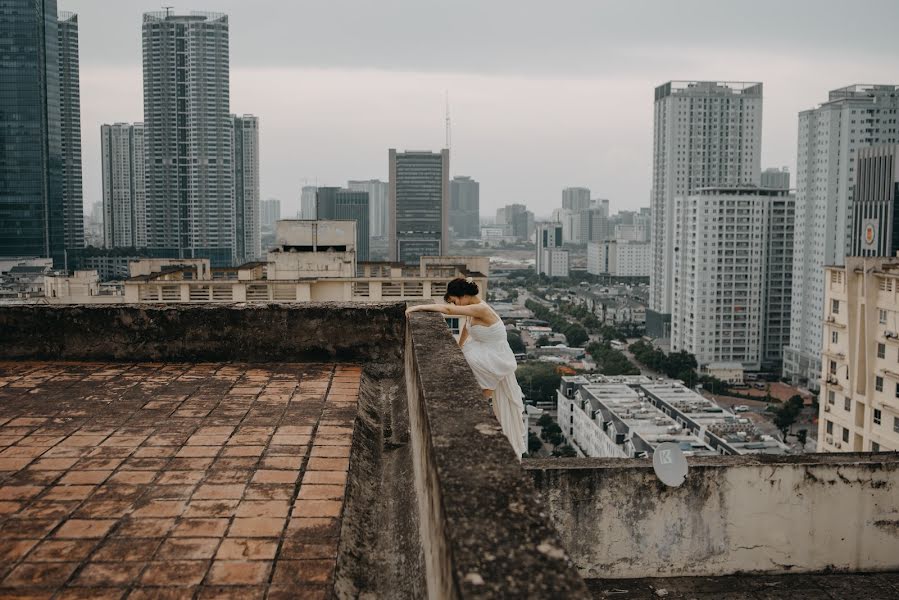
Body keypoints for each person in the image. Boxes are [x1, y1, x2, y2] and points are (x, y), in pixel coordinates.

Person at [405, 277, 526, 457]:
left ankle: (470, 424)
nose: (456, 304)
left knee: (481, 393)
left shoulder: (480, 308)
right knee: (472, 379)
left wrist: (417, 307)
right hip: (483, 348)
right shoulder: (475, 308)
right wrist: (459, 347)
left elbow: (447, 309)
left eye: (456, 300)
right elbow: (466, 329)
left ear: (464, 296)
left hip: (494, 355)